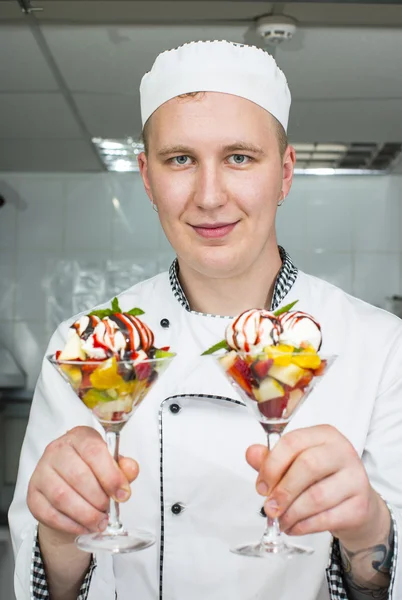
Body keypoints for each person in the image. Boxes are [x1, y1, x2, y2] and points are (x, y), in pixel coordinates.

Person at [9, 40, 402, 600]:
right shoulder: (86, 348)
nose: (210, 196)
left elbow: (386, 574)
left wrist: (369, 530)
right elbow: (40, 579)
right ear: (146, 178)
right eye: (180, 160)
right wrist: (60, 533)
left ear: (285, 174)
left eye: (239, 157)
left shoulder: (380, 346)